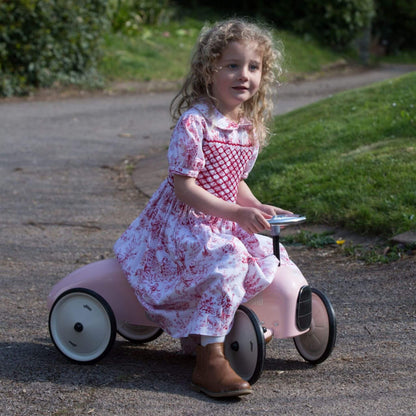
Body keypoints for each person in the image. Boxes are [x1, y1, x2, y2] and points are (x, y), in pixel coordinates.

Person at [114, 18, 296, 398]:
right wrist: (234, 214)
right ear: (208, 69)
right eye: (231, 65)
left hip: (220, 218)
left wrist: (254, 205)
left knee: (264, 252)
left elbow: (234, 181)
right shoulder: (195, 123)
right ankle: (208, 360)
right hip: (183, 222)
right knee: (229, 256)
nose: (243, 75)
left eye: (253, 67)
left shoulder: (246, 127)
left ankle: (231, 324)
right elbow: (185, 188)